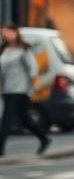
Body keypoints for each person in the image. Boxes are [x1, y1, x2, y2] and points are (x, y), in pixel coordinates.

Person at [0, 23, 50, 156]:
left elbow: (33, 70)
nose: (6, 35)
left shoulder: (23, 50)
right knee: (25, 119)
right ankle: (44, 139)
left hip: (20, 90)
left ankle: (0, 150)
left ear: (16, 33)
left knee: (6, 119)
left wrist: (33, 88)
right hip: (7, 89)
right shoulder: (4, 50)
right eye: (4, 32)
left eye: (9, 32)